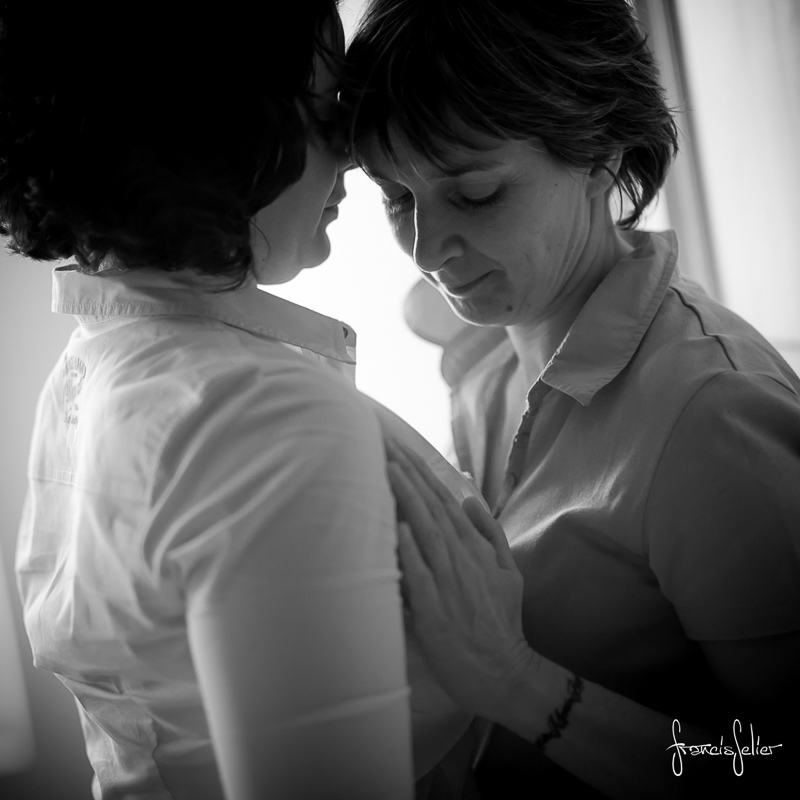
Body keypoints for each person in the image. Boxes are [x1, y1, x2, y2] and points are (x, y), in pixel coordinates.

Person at [343, 0, 800, 796]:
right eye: (394, 198)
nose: (425, 249)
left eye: (477, 193)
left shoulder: (711, 411)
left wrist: (520, 685)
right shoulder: (485, 348)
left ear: (599, 153)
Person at [1, 3, 425, 798]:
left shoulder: (96, 367)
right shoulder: (263, 417)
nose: (354, 150)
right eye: (327, 106)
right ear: (224, 126)